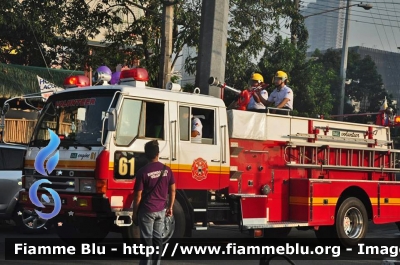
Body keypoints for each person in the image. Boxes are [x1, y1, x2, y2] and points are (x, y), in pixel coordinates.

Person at [132, 140, 176, 265]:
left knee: (147, 241)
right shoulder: (167, 170)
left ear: (146, 155)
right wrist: (170, 207)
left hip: (147, 211)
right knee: (158, 240)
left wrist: (135, 214)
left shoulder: (142, 172)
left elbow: (138, 195)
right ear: (158, 153)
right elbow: (172, 190)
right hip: (161, 211)